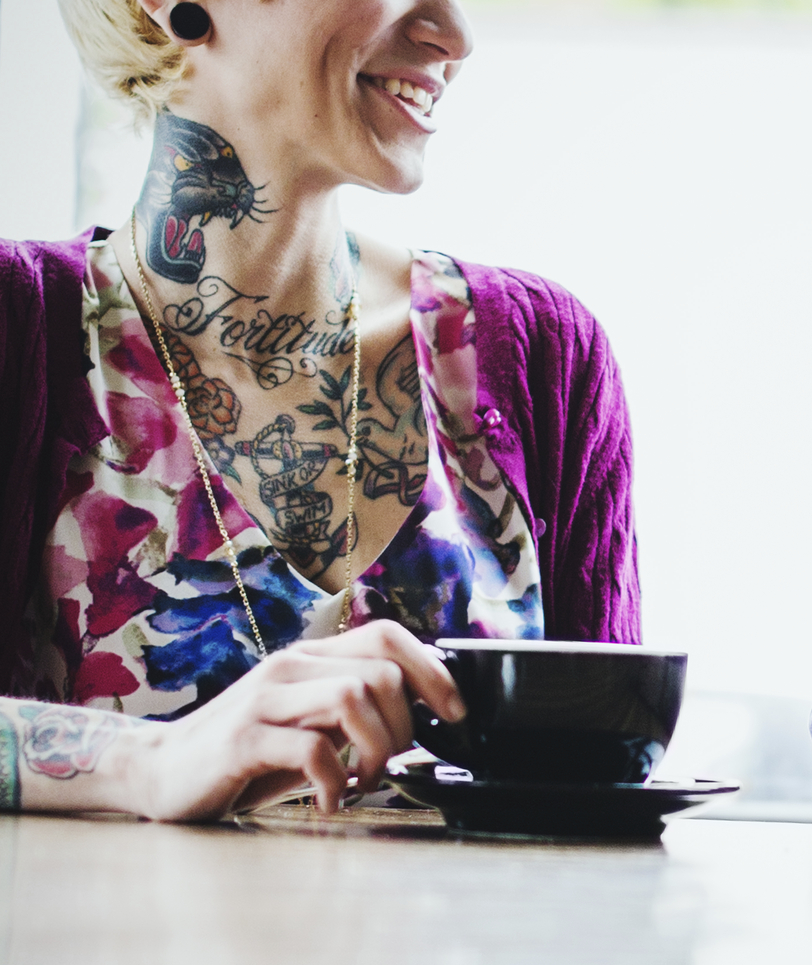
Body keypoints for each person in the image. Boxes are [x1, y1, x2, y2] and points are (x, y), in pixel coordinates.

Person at [0, 0, 639, 819]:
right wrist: (149, 760)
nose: (456, 34)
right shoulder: (27, 330)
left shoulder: (541, 354)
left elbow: (608, 782)